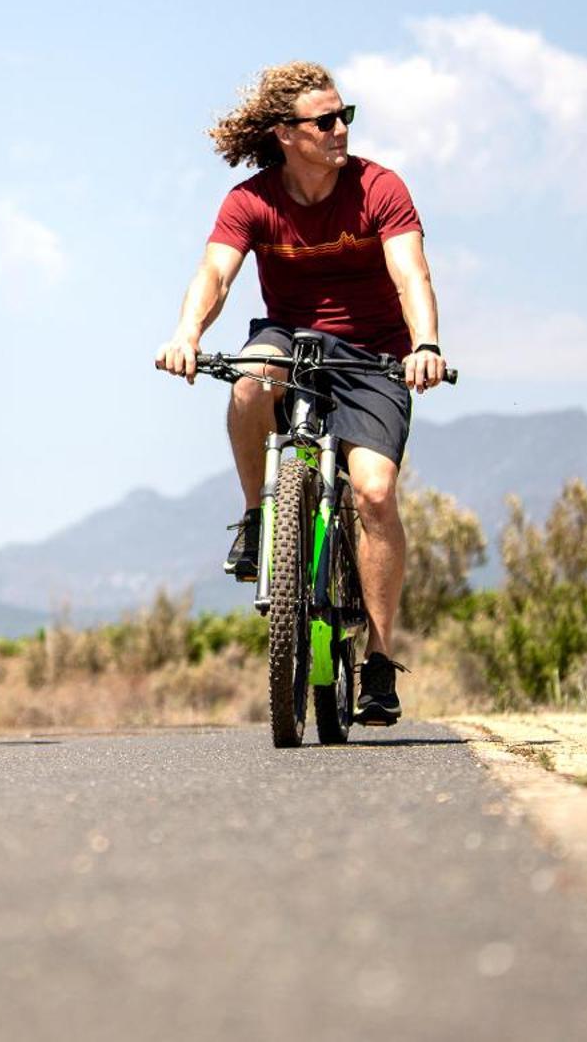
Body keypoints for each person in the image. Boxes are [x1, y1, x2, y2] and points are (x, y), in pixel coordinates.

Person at [154, 62, 446, 726]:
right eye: (325, 120)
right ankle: (260, 518)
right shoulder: (250, 200)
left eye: (346, 116)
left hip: (374, 355)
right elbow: (215, 274)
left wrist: (424, 343)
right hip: (288, 338)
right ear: (287, 132)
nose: (341, 129)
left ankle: (376, 658)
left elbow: (411, 274)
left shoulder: (379, 187)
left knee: (373, 491)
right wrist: (186, 332)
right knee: (251, 379)